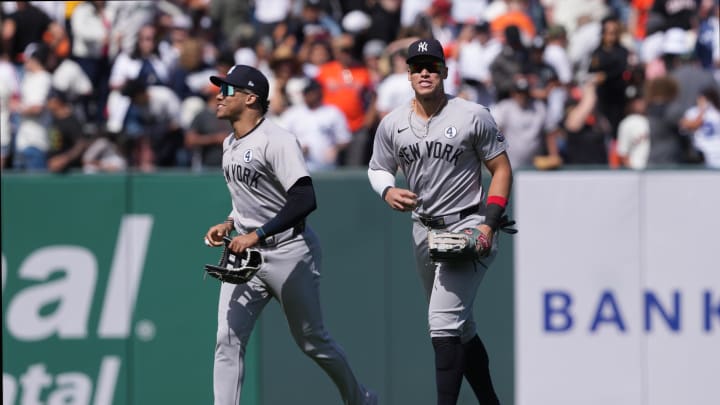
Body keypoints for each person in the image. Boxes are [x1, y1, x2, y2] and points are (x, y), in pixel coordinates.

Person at [203, 65, 377, 405]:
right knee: (227, 338)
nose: (219, 96)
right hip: (246, 256)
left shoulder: (277, 140)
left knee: (312, 341)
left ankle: (359, 399)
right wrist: (229, 221)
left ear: (250, 98)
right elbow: (250, 195)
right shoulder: (229, 142)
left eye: (227, 90)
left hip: (289, 251)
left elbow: (304, 198)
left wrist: (258, 234)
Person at [368, 38, 511, 405]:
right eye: (418, 67)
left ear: (445, 72)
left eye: (432, 66)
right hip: (423, 229)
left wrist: (488, 224)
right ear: (409, 74)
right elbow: (378, 167)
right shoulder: (393, 123)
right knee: (461, 328)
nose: (425, 72)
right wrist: (387, 191)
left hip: (467, 225)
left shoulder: (471, 114)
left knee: (443, 324)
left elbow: (500, 169)